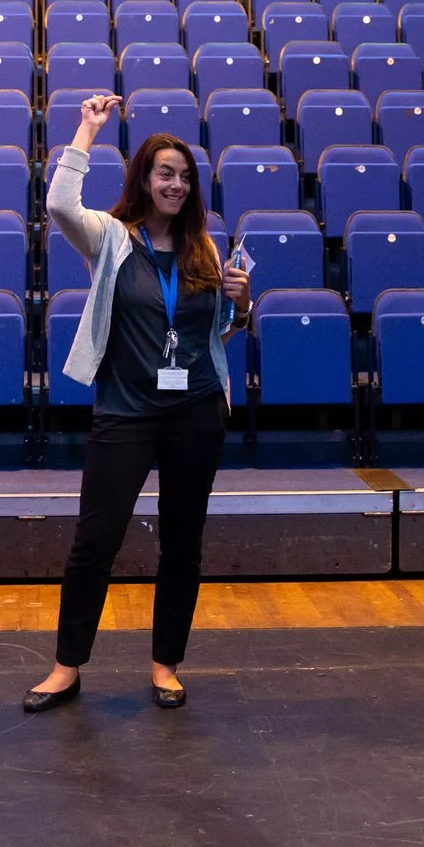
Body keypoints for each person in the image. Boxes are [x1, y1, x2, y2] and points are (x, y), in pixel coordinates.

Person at [26, 94, 251, 713]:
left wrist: (242, 305)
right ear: (144, 180)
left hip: (196, 410)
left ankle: (165, 664)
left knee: (183, 541)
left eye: (183, 176)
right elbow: (58, 205)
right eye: (164, 174)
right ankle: (66, 667)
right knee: (95, 541)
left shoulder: (204, 249)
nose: (175, 185)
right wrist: (87, 130)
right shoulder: (111, 239)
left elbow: (215, 329)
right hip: (126, 411)